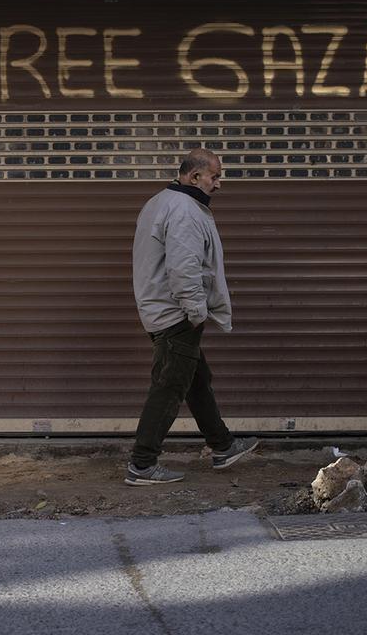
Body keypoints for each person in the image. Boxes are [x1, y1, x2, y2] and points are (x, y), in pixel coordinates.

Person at [126, 148, 258, 486]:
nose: (219, 183)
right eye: (214, 176)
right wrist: (196, 311)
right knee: (169, 387)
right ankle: (142, 464)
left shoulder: (162, 201)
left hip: (166, 309)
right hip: (176, 315)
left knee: (197, 378)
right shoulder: (184, 210)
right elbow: (184, 268)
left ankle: (223, 446)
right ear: (194, 176)